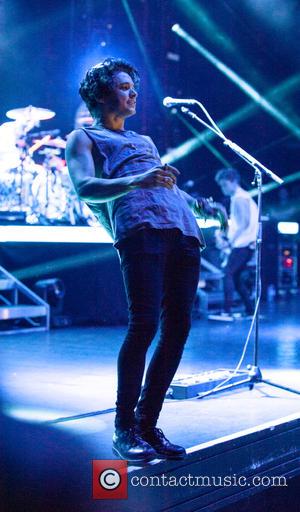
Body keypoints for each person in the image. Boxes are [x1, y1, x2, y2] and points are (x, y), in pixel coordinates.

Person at [66, 57, 225, 463]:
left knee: (178, 329)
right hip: (140, 230)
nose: (132, 92)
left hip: (184, 232)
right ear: (101, 95)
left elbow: (167, 188)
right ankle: (124, 427)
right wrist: (136, 180)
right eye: (122, 86)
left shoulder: (146, 141)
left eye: (133, 87)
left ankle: (148, 423)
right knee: (144, 325)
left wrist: (201, 205)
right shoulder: (82, 137)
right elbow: (85, 187)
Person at [215, 167, 258, 318]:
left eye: (224, 185)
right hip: (246, 244)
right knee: (236, 277)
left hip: (242, 244)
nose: (223, 189)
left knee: (228, 273)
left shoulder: (240, 198)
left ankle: (226, 311)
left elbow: (244, 223)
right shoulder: (243, 197)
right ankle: (250, 310)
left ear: (233, 182)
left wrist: (229, 241)